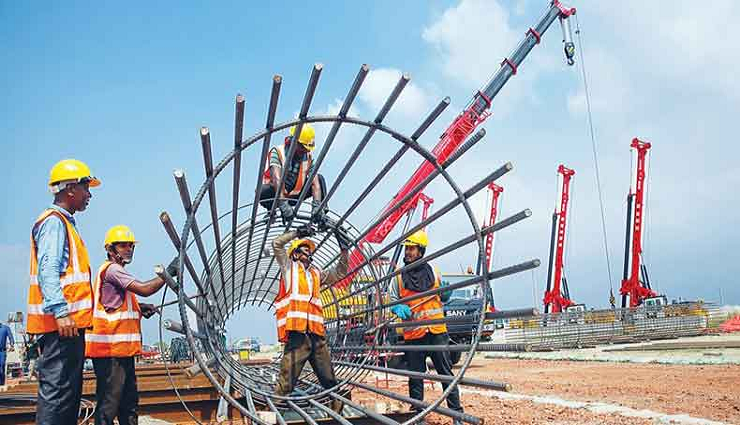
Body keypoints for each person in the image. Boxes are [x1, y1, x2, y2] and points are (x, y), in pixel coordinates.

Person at [28, 158, 100, 425]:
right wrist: (60, 312)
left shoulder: (66, 224)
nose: (89, 194)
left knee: (68, 395)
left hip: (69, 327)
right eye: (85, 187)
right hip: (61, 327)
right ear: (70, 189)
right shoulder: (54, 223)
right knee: (57, 395)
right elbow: (48, 271)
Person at [85, 225, 177, 425]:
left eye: (131, 246)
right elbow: (144, 288)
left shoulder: (116, 273)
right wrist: (168, 272)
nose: (128, 249)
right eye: (123, 246)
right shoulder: (113, 271)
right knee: (109, 405)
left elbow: (115, 306)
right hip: (110, 352)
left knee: (128, 404)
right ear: (110, 250)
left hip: (121, 353)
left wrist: (140, 308)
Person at [271, 224, 351, 409]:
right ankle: (274, 411)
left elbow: (340, 272)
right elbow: (276, 244)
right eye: (304, 250)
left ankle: (337, 409)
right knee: (287, 381)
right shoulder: (288, 268)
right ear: (295, 253)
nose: (308, 253)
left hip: (316, 334)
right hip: (298, 334)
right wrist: (296, 233)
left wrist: (345, 251)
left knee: (329, 378)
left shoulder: (316, 273)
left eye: (309, 250)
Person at [389, 230, 463, 424]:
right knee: (415, 376)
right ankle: (417, 414)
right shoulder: (398, 276)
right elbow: (392, 301)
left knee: (446, 374)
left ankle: (456, 413)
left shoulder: (434, 272)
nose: (408, 252)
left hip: (437, 332)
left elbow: (442, 298)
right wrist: (398, 307)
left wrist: (447, 294)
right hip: (414, 334)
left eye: (412, 248)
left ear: (421, 250)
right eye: (407, 248)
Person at [259, 124, 329, 226]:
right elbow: (276, 179)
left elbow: (315, 183)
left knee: (320, 178)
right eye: (303, 148)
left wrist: (317, 205)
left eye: (307, 149)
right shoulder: (278, 152)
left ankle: (321, 212)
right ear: (294, 141)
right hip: (275, 196)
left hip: (295, 195)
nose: (306, 151)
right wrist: (283, 203)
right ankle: (271, 212)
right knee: (261, 191)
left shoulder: (307, 156)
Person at [0, 321, 15, 385]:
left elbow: (10, 337)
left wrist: (12, 345)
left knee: (2, 365)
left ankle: (1, 383)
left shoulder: (5, 328)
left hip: (2, 351)